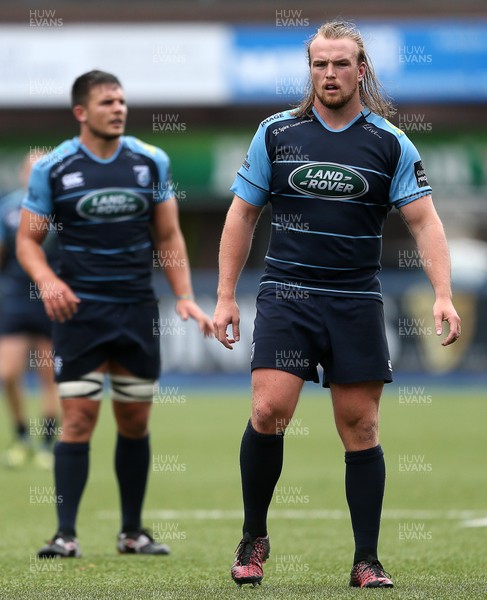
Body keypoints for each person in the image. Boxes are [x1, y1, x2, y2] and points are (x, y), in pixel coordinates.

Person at [213, 21, 461, 589]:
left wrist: (443, 293)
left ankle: (365, 560)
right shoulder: (276, 133)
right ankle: (253, 537)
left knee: (361, 425)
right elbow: (242, 215)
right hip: (287, 296)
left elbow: (424, 223)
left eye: (341, 64)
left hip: (355, 300)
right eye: (320, 64)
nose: (329, 73)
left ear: (361, 70)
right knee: (268, 410)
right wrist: (225, 296)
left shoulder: (391, 142)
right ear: (310, 69)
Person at [17, 70, 213, 558]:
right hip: (79, 312)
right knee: (79, 419)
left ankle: (132, 532)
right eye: (107, 102)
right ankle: (65, 534)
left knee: (134, 420)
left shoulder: (151, 161)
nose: (119, 109)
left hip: (136, 310)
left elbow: (168, 237)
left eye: (122, 101)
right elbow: (27, 241)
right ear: (81, 112)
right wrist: (47, 279)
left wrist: (184, 294)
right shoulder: (54, 168)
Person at [0, 152, 59, 470]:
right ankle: (22, 436)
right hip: (16, 297)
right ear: (23, 174)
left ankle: (47, 444)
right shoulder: (9, 207)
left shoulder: (63, 207)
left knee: (50, 377)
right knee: (7, 373)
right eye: (31, 170)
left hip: (52, 299)